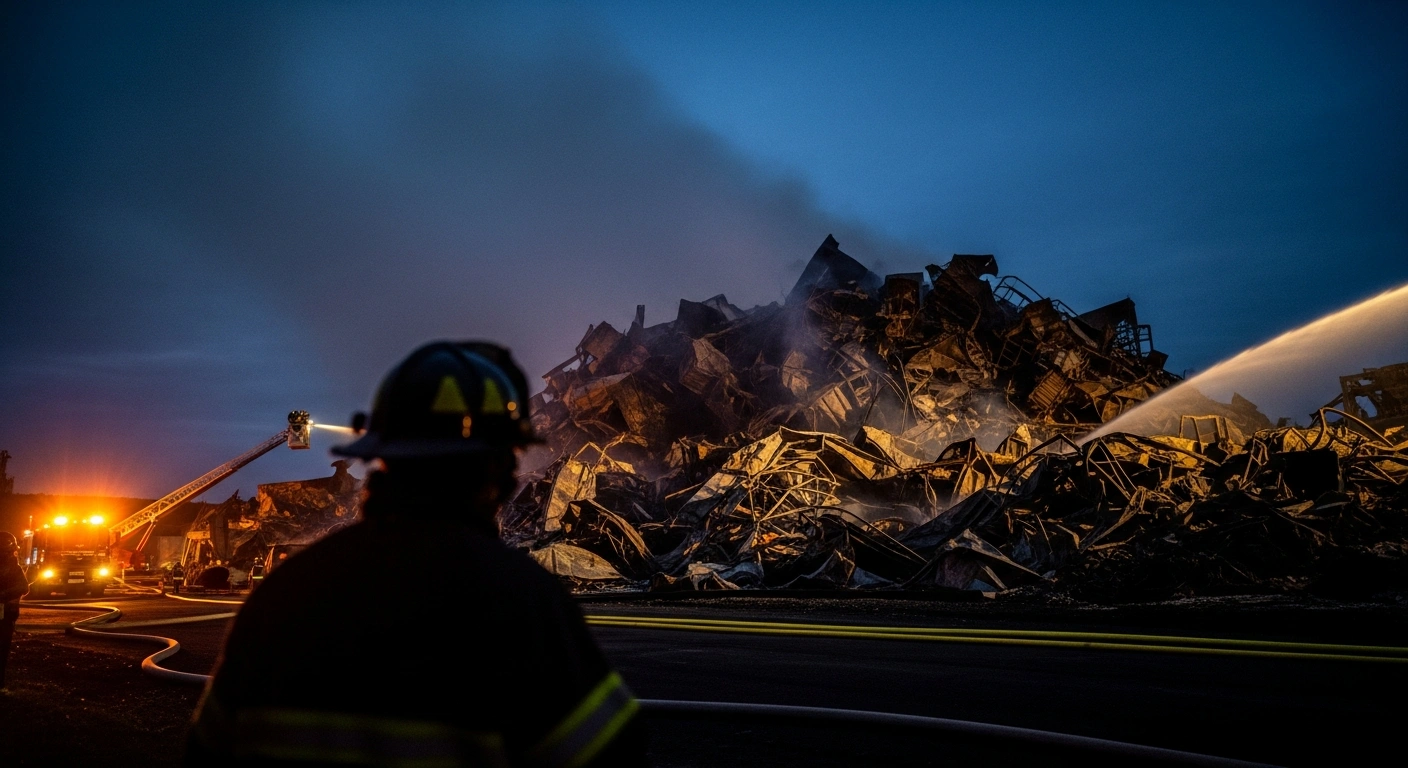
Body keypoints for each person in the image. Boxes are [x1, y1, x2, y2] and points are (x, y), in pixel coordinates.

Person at [188, 341, 647, 767]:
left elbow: (206, 751)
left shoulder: (283, 596)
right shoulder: (525, 603)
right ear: (503, 473)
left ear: (381, 458)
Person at [0, 531, 30, 691]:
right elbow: (23, 587)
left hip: (6, 614)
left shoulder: (13, 567)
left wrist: (3, 596)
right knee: (2, 649)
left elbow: (23, 587)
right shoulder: (13, 567)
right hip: (7, 615)